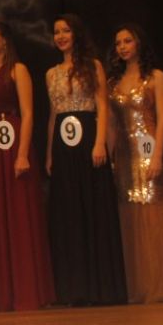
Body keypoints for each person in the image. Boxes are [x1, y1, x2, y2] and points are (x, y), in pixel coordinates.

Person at [0, 18, 55, 312]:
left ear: (4, 39)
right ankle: (1, 293)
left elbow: (28, 114)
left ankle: (27, 290)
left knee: (19, 215)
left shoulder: (18, 70)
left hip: (13, 144)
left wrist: (22, 154)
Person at [44, 16, 126, 306]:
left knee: (93, 209)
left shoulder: (93, 66)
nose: (60, 36)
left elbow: (102, 106)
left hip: (89, 141)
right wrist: (49, 153)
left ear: (76, 34)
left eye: (66, 31)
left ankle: (100, 288)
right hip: (63, 147)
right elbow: (53, 116)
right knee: (69, 214)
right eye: (56, 32)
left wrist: (100, 142)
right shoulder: (51, 73)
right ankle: (74, 289)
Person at [106, 24, 163, 304]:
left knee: (153, 209)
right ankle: (136, 285)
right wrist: (109, 157)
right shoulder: (112, 83)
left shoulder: (155, 77)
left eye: (128, 41)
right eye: (118, 43)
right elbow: (112, 124)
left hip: (149, 147)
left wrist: (157, 155)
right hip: (125, 155)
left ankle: (159, 284)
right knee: (129, 212)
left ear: (139, 43)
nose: (122, 47)